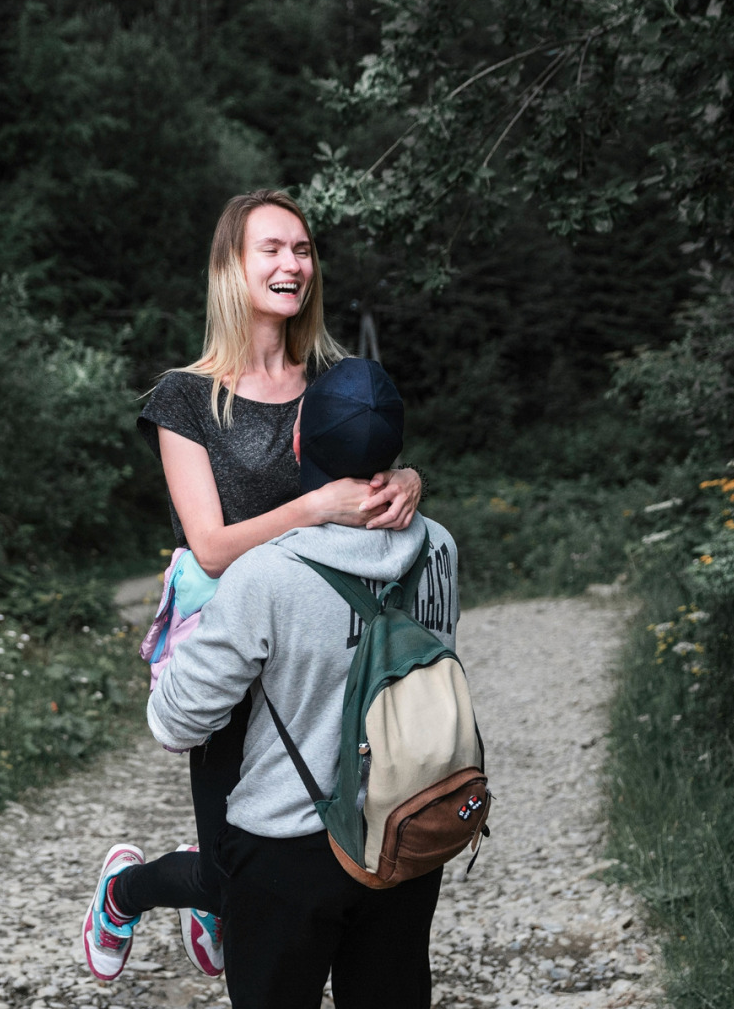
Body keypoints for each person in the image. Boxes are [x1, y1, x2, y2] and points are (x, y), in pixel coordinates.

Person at [79, 189, 424, 982]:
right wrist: (315, 507)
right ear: (231, 266)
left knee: (329, 848)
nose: (292, 264)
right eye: (271, 248)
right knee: (245, 873)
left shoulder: (336, 378)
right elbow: (208, 545)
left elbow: (378, 475)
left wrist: (407, 477)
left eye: (302, 250)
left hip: (329, 656)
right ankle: (125, 889)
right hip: (233, 656)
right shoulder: (185, 399)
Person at [148, 358, 461, 1009]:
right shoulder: (441, 548)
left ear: (297, 445)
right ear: (396, 455)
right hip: (408, 830)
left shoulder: (266, 576)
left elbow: (177, 723)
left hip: (287, 848)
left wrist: (175, 643)